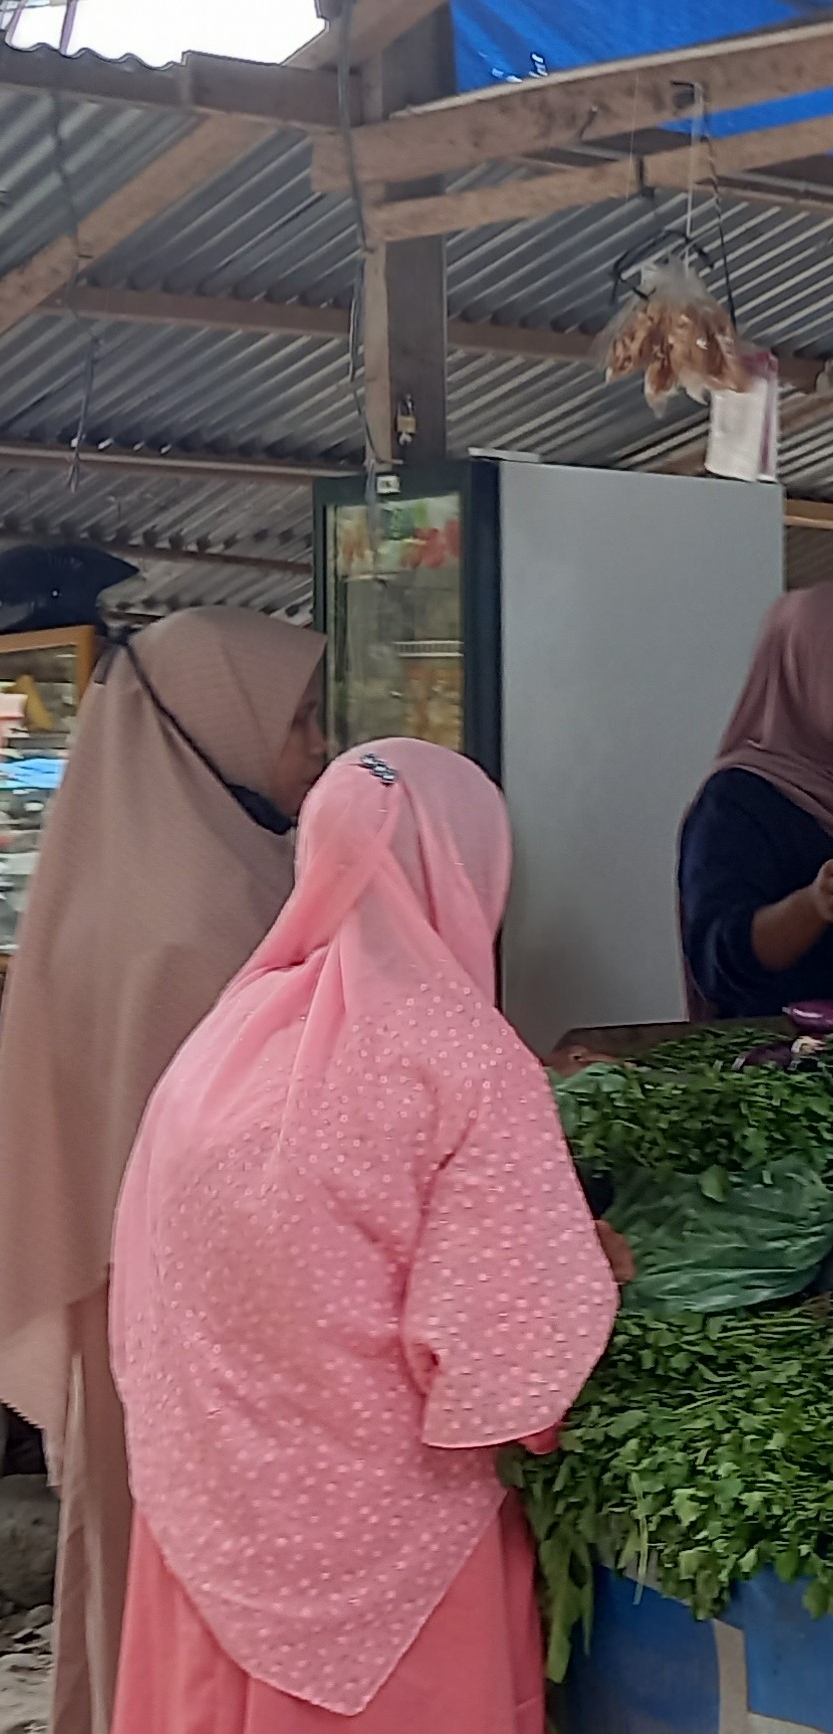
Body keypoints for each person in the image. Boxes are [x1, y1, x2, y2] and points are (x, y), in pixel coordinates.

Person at [108, 739, 623, 1734]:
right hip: (393, 1551)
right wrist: (581, 1268)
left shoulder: (231, 1028)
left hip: (205, 1517)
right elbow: (497, 1361)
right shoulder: (463, 1051)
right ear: (467, 868)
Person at [0, 609, 326, 1734]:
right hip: (200, 1321)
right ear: (213, 730)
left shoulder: (117, 878)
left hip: (122, 1302)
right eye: (299, 723)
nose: (318, 750)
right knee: (195, 1560)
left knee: (129, 1533)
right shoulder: (211, 910)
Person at [680, 584, 833, 1018]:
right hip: (787, 1065)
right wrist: (811, 907)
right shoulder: (738, 799)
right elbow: (718, 963)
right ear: (804, 676)